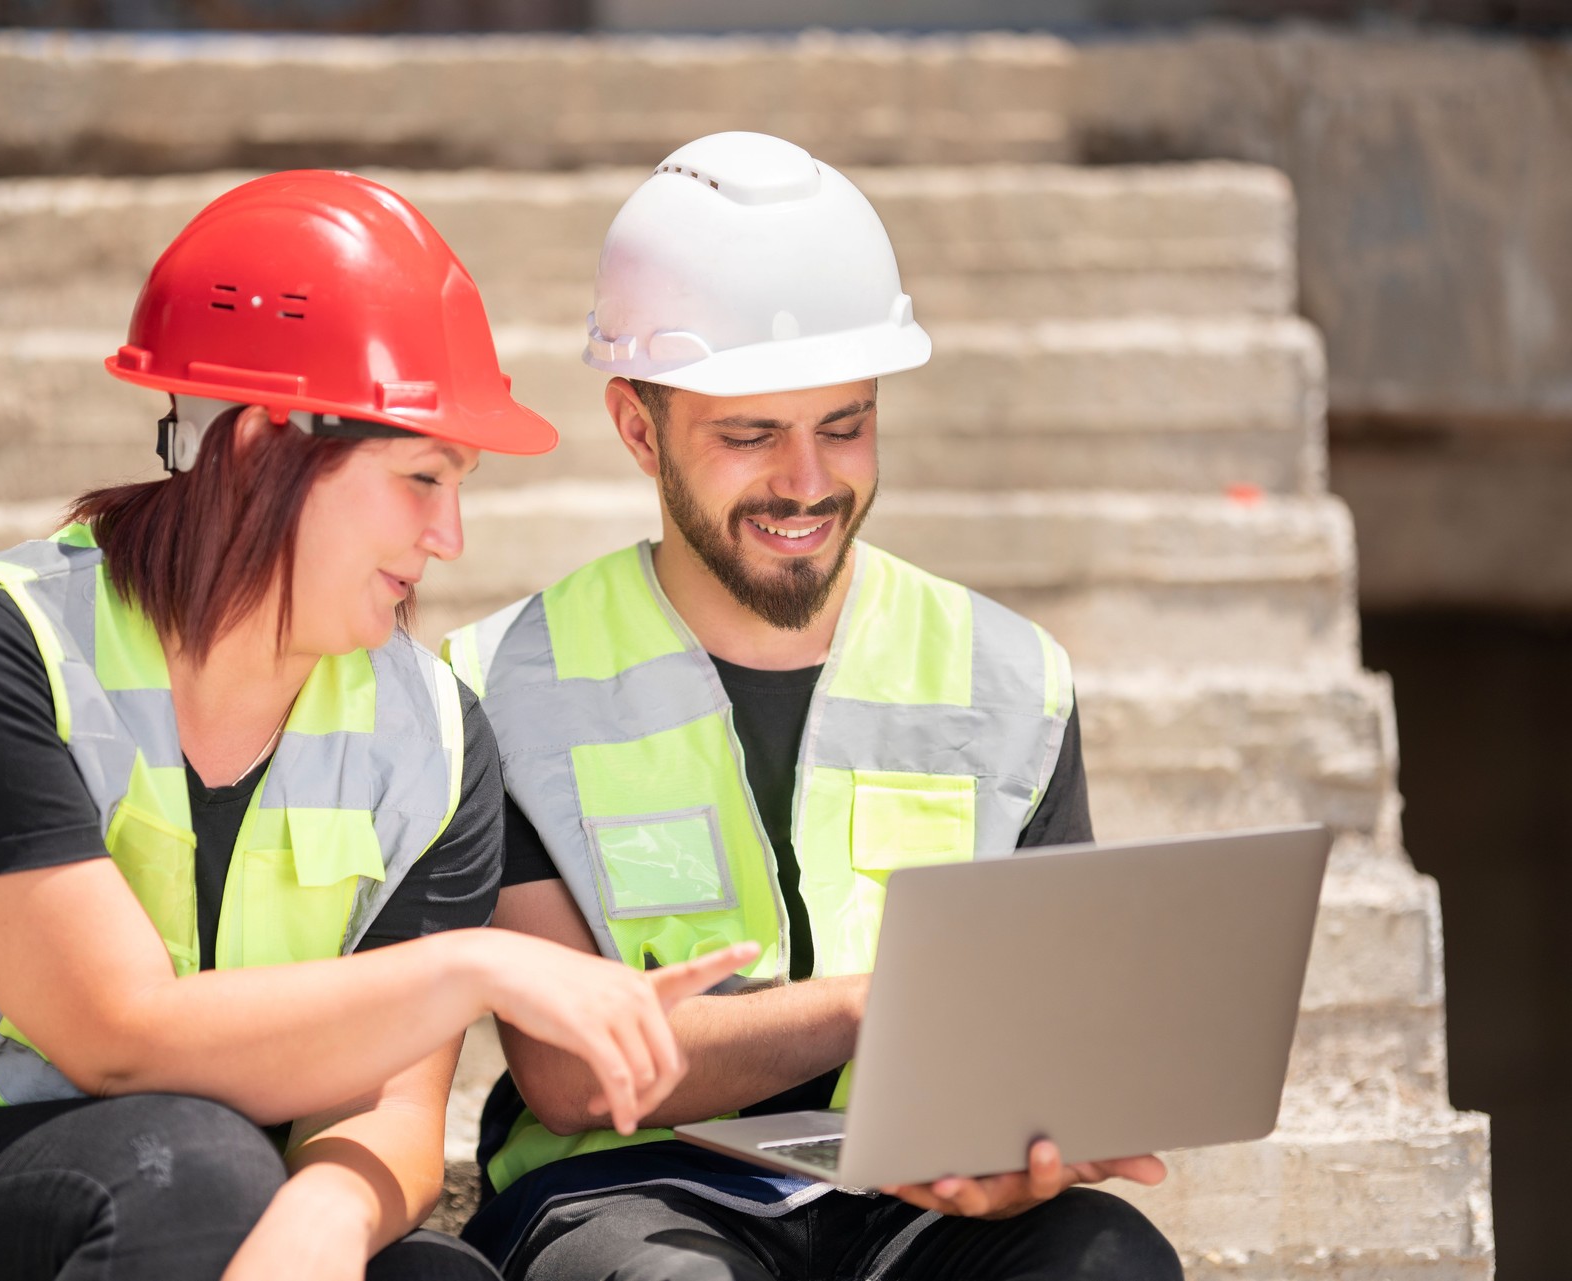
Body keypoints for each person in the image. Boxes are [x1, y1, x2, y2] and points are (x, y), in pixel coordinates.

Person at [0, 170, 755, 1281]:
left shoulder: (435, 733)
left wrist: (324, 1221)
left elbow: (389, 1112)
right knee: (196, 1164)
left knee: (431, 1272)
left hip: (190, 1206)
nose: (452, 538)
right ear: (257, 450)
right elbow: (117, 1036)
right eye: (422, 478)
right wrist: (475, 966)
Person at [443, 133, 1184, 1280]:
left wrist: (1028, 1141)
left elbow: (1038, 1024)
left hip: (924, 1196)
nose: (807, 481)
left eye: (845, 424)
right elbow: (574, 1075)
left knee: (1108, 1264)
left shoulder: (1008, 675)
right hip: (634, 1189)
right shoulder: (503, 687)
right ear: (638, 429)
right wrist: (868, 1010)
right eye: (750, 436)